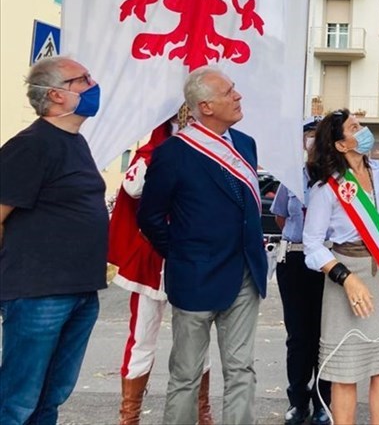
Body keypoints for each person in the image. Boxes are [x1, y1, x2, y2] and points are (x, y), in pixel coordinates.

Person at [138, 66, 268, 425]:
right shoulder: (174, 153)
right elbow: (150, 216)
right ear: (206, 107)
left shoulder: (245, 145)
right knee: (185, 376)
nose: (238, 96)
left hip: (245, 273)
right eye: (229, 92)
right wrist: (182, 253)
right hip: (195, 276)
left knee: (242, 369)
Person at [0, 56, 108, 425]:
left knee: (51, 395)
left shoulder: (74, 142)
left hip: (79, 289)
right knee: (18, 400)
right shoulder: (31, 145)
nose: (94, 84)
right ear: (56, 95)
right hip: (38, 294)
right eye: (84, 79)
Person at [302, 109, 379, 425]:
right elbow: (312, 244)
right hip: (347, 279)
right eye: (355, 127)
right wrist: (345, 278)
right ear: (341, 145)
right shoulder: (326, 188)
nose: (364, 130)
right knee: (345, 374)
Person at [108, 106, 214, 425]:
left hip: (194, 257)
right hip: (152, 259)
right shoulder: (152, 151)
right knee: (142, 339)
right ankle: (130, 417)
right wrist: (164, 154)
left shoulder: (210, 153)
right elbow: (133, 187)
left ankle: (201, 412)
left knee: (198, 341)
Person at [272, 116, 331, 425]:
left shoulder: (339, 179)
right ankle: (298, 400)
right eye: (308, 135)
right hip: (294, 260)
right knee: (298, 335)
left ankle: (324, 402)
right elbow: (281, 217)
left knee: (326, 335)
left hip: (328, 263)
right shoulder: (291, 177)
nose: (311, 141)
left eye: (316, 136)